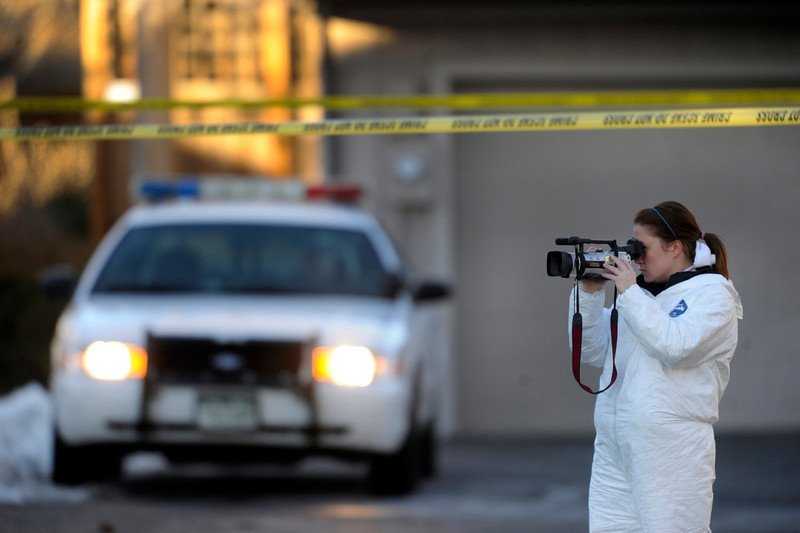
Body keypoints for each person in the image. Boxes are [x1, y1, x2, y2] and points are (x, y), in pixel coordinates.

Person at [569, 201, 743, 532]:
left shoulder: (713, 294)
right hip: (615, 441)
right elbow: (591, 352)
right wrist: (590, 294)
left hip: (671, 445)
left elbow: (676, 348)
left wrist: (630, 292)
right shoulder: (640, 297)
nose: (635, 258)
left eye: (642, 248)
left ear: (675, 247)